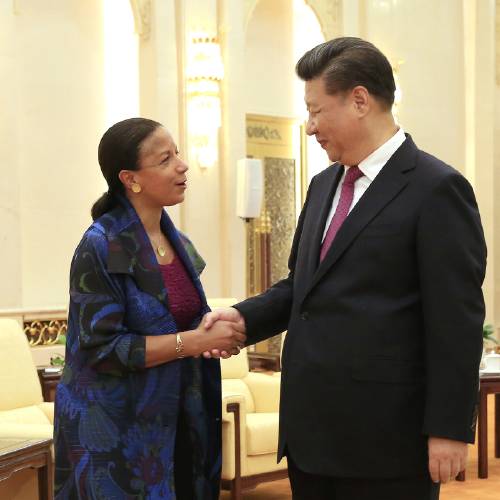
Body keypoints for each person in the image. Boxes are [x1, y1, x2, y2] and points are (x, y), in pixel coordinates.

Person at [205, 37, 486, 500]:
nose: (310, 126)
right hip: (311, 436)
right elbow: (304, 286)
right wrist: (243, 318)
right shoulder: (322, 185)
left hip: (388, 440)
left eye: (316, 111)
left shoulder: (437, 189)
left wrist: (450, 429)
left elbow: (456, 321)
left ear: (359, 100)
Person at [53, 117, 245, 499]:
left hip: (181, 421)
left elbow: (187, 321)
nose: (182, 165)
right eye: (165, 159)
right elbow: (101, 349)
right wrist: (191, 342)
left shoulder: (178, 242)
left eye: (178, 153)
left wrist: (219, 332)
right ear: (130, 178)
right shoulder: (101, 244)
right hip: (118, 435)